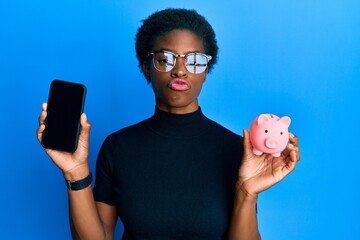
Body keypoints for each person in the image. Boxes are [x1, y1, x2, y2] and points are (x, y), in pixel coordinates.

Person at [37, 8, 300, 240]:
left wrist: (246, 192)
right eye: (165, 59)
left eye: (195, 60)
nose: (180, 70)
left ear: (206, 72)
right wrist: (76, 174)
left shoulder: (235, 150)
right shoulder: (118, 147)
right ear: (146, 67)